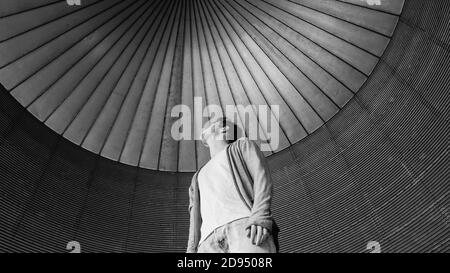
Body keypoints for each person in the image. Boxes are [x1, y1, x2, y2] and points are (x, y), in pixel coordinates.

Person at [186, 117, 279, 253]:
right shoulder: (197, 177)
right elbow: (194, 219)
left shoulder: (242, 145)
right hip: (206, 243)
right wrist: (191, 249)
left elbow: (262, 179)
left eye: (212, 122)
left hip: (244, 228)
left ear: (224, 128)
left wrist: (260, 215)